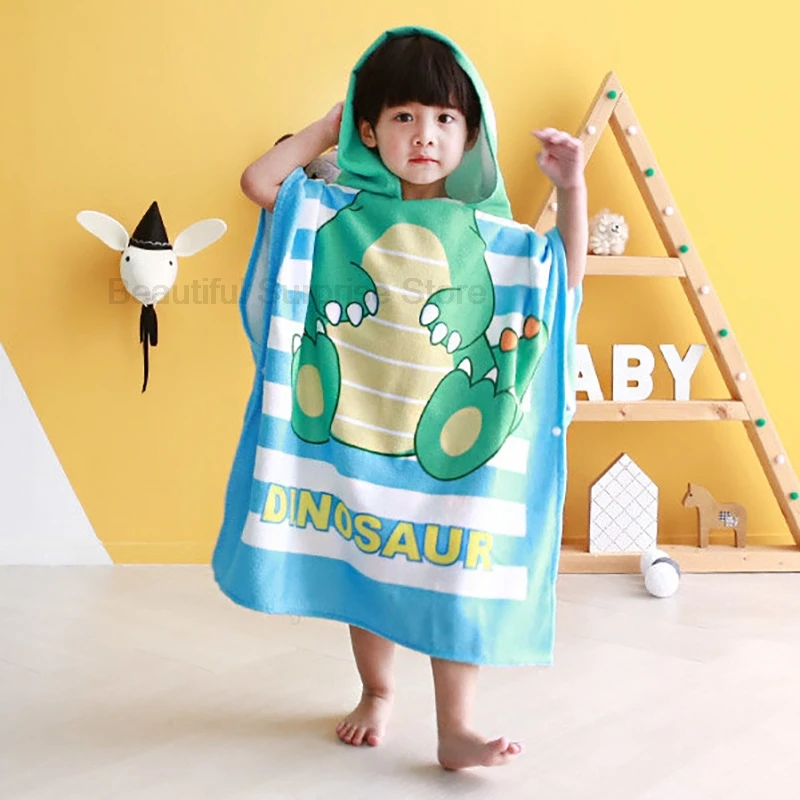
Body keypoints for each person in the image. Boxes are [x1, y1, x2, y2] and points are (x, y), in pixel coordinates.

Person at [215, 27, 586, 771]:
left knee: (455, 581)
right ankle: (376, 692)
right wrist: (323, 130)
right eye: (404, 116)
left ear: (471, 136)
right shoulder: (335, 210)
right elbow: (259, 184)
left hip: (447, 460)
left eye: (446, 118)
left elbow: (561, 277)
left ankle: (457, 729)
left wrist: (571, 189)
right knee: (365, 565)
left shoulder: (494, 237)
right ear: (370, 128)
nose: (425, 135)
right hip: (359, 436)